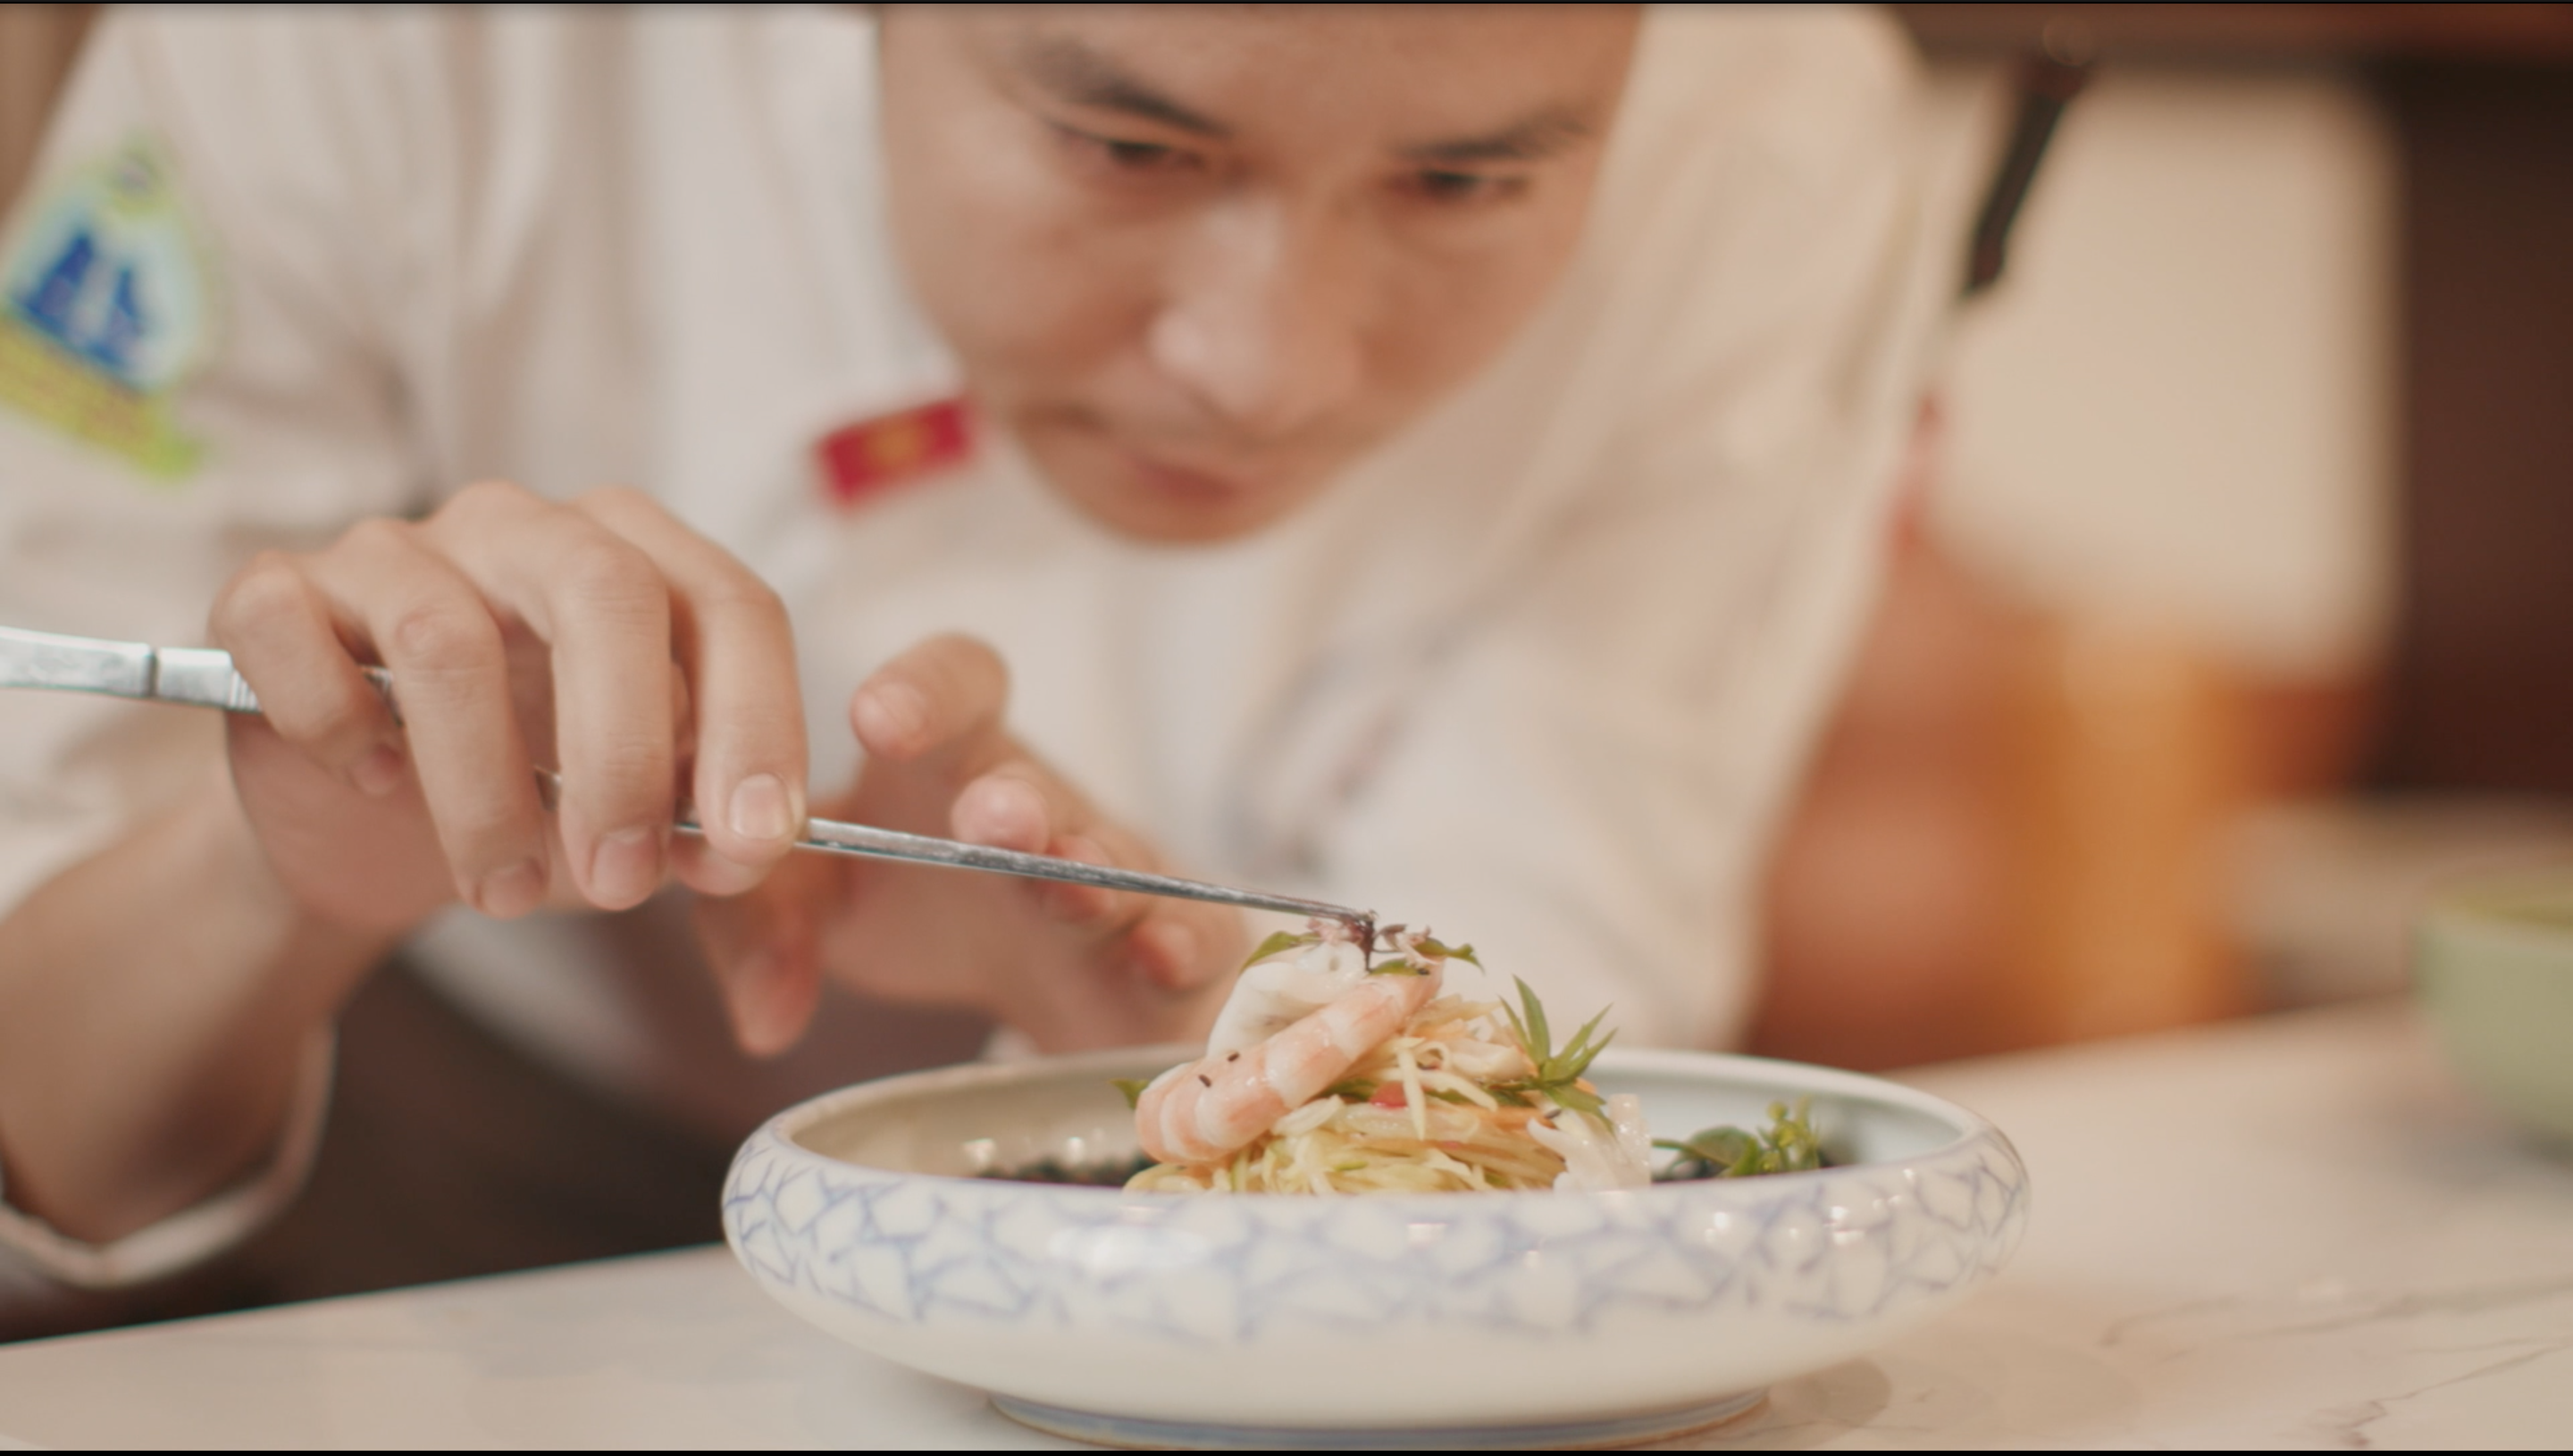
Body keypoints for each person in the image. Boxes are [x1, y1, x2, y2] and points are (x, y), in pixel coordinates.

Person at [0, 6, 1941, 1309]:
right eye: (1126, 142)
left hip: (1212, 1243)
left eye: (1462, 182)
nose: (1263, 370)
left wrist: (1179, 1017)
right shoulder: (363, 47)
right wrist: (279, 875)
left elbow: (1539, 1096)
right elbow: (46, 1099)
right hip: (434, 1150)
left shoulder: (1767, 128)